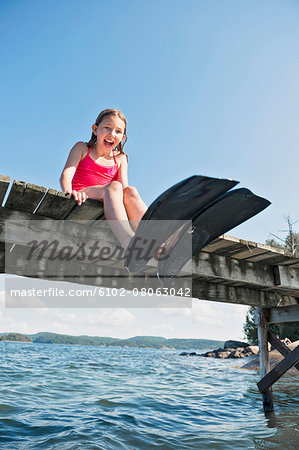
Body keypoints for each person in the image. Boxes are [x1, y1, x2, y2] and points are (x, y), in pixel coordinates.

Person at [60, 108, 147, 252]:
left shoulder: (120, 158)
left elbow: (125, 192)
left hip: (111, 198)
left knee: (130, 190)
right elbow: (66, 175)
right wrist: (69, 193)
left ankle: (156, 242)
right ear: (95, 130)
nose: (112, 134)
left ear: (123, 137)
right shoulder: (82, 148)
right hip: (84, 194)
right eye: (107, 128)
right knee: (114, 186)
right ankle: (128, 240)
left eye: (118, 131)